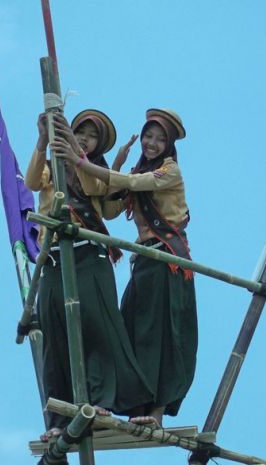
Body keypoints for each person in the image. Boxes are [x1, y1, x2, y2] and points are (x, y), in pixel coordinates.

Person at [51, 108, 198, 427]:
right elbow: (109, 209)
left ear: (170, 144)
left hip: (167, 260)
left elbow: (133, 182)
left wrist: (81, 163)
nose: (152, 143)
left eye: (160, 139)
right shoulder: (138, 170)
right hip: (144, 261)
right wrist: (114, 163)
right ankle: (138, 409)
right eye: (149, 136)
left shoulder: (169, 171)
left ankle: (156, 413)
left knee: (162, 335)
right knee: (131, 331)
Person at [25, 109, 153, 441]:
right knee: (54, 334)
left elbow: (95, 186)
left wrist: (77, 155)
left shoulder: (93, 170)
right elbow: (31, 182)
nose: (84, 138)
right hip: (52, 257)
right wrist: (44, 141)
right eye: (79, 131)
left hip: (88, 253)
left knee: (98, 329)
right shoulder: (52, 165)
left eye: (91, 135)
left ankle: (100, 403)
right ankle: (58, 418)